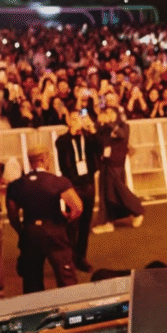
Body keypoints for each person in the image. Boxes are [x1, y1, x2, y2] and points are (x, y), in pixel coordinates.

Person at [5, 145, 83, 294]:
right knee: (67, 280)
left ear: (30, 161)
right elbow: (77, 208)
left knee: (32, 283)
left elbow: (12, 215)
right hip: (55, 232)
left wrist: (22, 231)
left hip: (31, 233)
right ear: (45, 159)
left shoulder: (16, 185)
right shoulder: (59, 182)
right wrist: (67, 220)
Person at [55, 110, 102, 272]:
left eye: (79, 118)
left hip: (88, 183)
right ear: (68, 121)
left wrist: (92, 128)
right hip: (72, 185)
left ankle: (81, 257)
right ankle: (69, 257)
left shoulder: (88, 137)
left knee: (85, 224)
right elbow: (61, 152)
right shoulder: (63, 140)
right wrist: (72, 133)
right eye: (74, 119)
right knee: (71, 224)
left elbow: (100, 146)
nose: (77, 121)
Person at [92, 106, 144, 234]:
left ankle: (137, 210)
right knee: (106, 194)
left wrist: (109, 124)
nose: (108, 115)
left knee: (119, 191)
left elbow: (122, 135)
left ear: (117, 114)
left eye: (111, 112)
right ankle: (107, 221)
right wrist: (95, 126)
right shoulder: (105, 128)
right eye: (107, 112)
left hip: (116, 165)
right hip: (106, 164)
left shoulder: (124, 126)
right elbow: (99, 142)